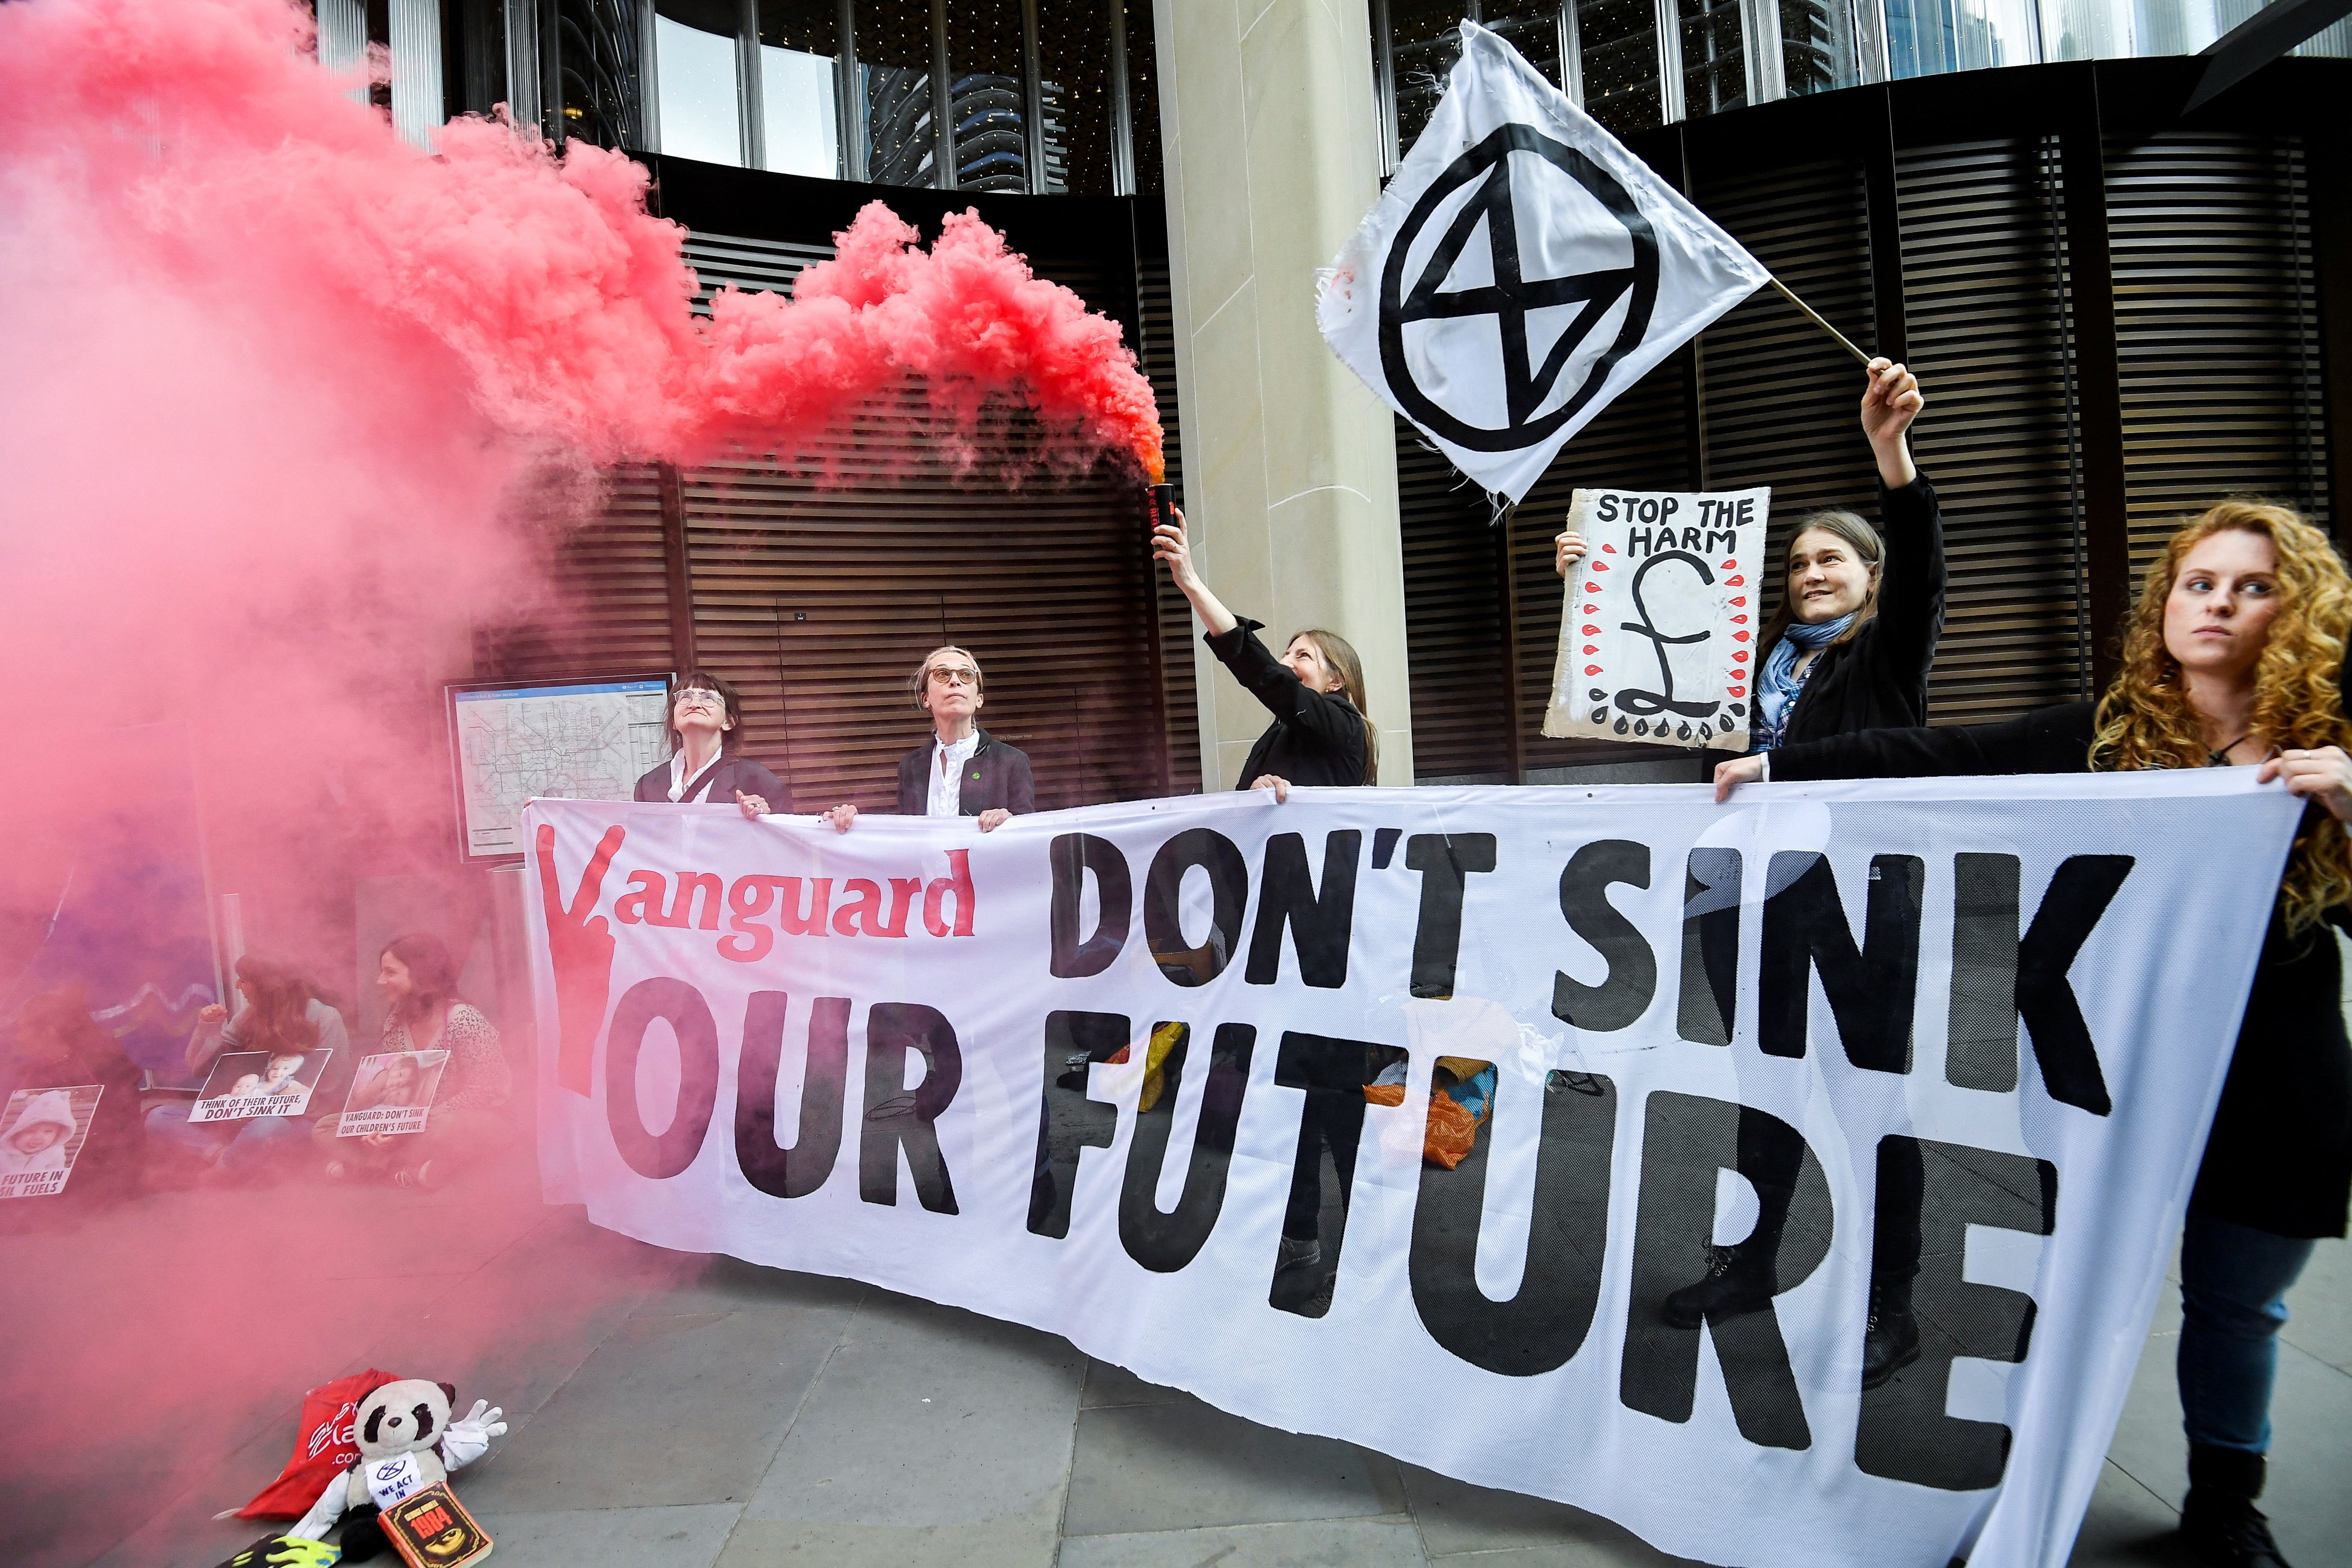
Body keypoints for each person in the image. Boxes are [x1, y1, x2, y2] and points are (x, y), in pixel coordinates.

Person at [1714, 500, 2352, 1568]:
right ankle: (2014, 1497)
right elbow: (1941, 752)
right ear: (2167, 604)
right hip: (2109, 1067)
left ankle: (2222, 1507)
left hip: (2271, 1078)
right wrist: (1779, 771)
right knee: (2064, 1297)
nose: (2220, 603)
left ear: (2298, 612)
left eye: (2253, 586)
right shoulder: (2110, 731)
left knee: (2239, 1308)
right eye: (2199, 582)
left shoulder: (2329, 748)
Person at [1557, 357, 1937, 752]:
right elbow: (1646, 656)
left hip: (1849, 817)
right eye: (1798, 565)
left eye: (1830, 559)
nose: (1812, 575)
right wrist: (1592, 583)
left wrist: (1888, 444)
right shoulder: (1746, 658)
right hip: (1743, 814)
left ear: (1874, 577)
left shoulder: (1890, 650)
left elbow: (1919, 573)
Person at [1153, 508, 1376, 797]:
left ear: (1336, 681)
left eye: (1304, 656)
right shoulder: (1279, 733)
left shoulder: (1346, 726)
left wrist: (1190, 582)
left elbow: (1269, 677)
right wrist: (1256, 793)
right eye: (1286, 654)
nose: (1286, 663)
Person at [318, 932, 509, 1189]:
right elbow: (389, 1097)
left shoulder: (464, 1020)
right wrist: (378, 1129)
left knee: (446, 1127)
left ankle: (369, 1166)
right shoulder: (395, 1023)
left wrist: (414, 1123)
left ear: (421, 974)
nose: (380, 981)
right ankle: (405, 1167)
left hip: (461, 1120)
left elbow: (487, 1090)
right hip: (408, 1124)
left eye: (390, 972)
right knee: (325, 1126)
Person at [148, 955, 349, 1182]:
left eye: (243, 980)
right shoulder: (247, 1017)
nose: (237, 986)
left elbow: (334, 1091)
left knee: (267, 1126)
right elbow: (201, 1069)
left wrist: (271, 1107)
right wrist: (209, 1029)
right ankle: (229, 1158)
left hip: (292, 1124)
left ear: (267, 985)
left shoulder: (324, 1018)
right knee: (159, 1116)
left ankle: (221, 1174)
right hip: (242, 1119)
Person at [823, 646, 1035, 833]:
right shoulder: (912, 766)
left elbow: (1029, 837)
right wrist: (856, 822)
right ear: (926, 699)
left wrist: (1010, 822)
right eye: (943, 674)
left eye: (966, 675)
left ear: (979, 698)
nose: (955, 681)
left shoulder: (1011, 762)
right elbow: (902, 836)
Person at [4, 987, 143, 1201]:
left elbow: (124, 1128)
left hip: (101, 1162)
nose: (18, 1038)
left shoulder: (103, 1066)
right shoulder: (25, 1074)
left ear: (50, 1033)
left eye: (23, 1030)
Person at [633, 671, 789, 819]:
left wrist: (765, 818)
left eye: (708, 698)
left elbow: (786, 841)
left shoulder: (758, 781)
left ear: (729, 721)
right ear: (674, 722)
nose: (694, 704)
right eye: (684, 697)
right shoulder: (647, 785)